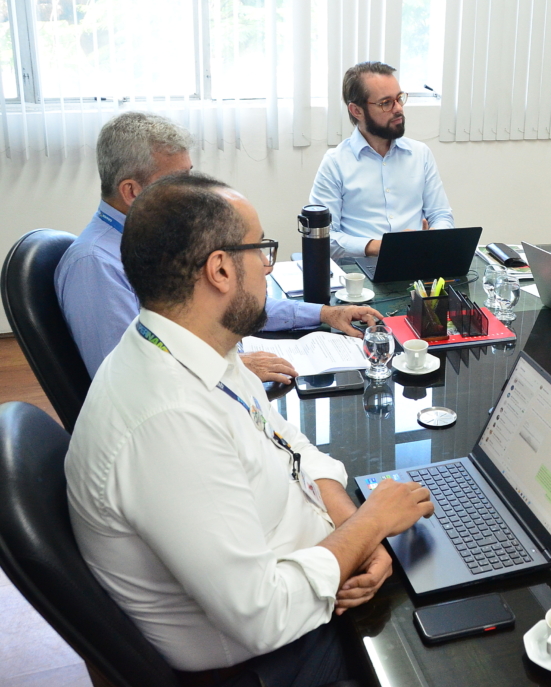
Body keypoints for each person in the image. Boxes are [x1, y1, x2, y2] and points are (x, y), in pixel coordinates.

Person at [66, 173, 435, 686]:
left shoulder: (191, 343)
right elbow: (264, 616)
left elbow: (288, 445)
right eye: (260, 249)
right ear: (220, 269)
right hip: (265, 661)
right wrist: (370, 526)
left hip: (308, 581)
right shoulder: (168, 421)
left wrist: (354, 529)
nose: (267, 265)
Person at [55, 111, 379, 381]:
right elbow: (128, 380)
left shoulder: (159, 238)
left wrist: (324, 313)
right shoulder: (94, 265)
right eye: (177, 182)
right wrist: (233, 370)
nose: (193, 192)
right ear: (132, 192)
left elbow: (229, 305)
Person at [309, 61, 454, 259]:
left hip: (416, 263)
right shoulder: (335, 163)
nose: (398, 109)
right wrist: (381, 246)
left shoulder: (420, 154)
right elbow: (322, 239)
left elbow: (441, 215)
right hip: (360, 270)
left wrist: (433, 238)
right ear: (356, 111)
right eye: (386, 103)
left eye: (399, 98)